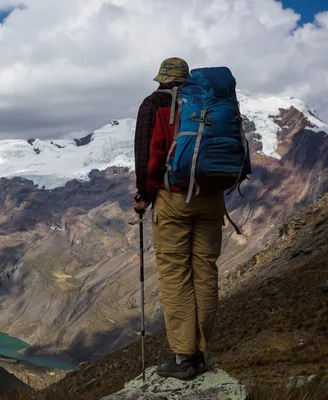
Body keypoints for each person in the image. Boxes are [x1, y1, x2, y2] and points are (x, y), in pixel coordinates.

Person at [133, 57, 225, 380]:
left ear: (161, 79)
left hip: (174, 199)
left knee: (175, 274)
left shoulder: (154, 105)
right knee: (204, 270)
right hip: (212, 200)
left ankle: (183, 357)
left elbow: (148, 159)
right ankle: (200, 353)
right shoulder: (210, 103)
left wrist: (144, 196)